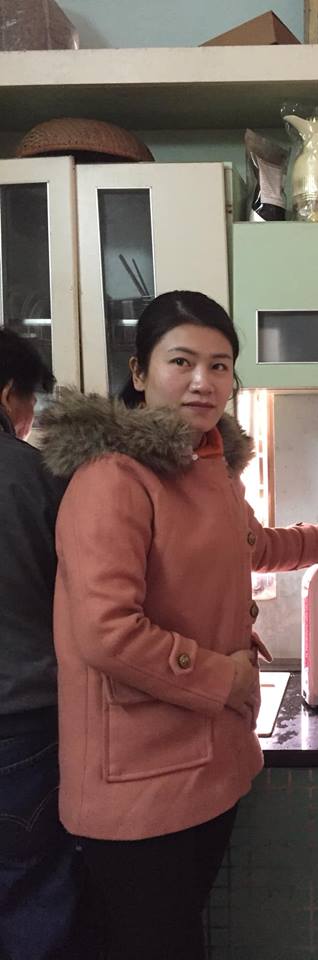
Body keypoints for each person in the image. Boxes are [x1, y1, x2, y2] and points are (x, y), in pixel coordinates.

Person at [39, 290, 318, 960]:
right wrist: (225, 678)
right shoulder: (114, 478)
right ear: (140, 372)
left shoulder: (207, 466)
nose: (203, 381)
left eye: (220, 365)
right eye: (182, 362)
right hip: (138, 777)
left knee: (177, 937)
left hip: (203, 761)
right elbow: (107, 633)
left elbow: (250, 544)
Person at [0, 330, 91, 959]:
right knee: (34, 898)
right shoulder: (33, 476)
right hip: (22, 728)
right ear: (9, 394)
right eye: (30, 401)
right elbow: (90, 599)